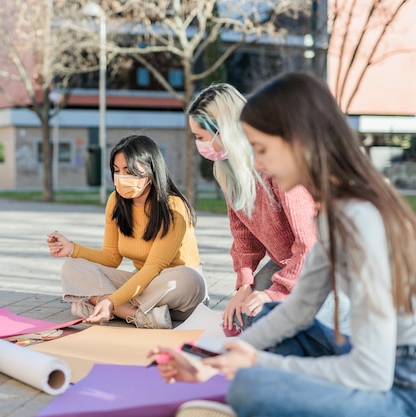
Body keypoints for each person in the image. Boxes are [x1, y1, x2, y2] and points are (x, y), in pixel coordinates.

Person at [150, 71, 416, 417]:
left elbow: (371, 373)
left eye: (261, 149)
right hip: (370, 367)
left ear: (297, 141)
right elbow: (298, 308)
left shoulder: (359, 220)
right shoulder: (333, 212)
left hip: (399, 388)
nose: (257, 163)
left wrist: (256, 362)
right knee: (272, 318)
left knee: (251, 387)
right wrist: (216, 363)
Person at [187, 83, 328, 331]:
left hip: (321, 262)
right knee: (235, 322)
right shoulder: (227, 170)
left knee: (262, 320)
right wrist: (244, 285)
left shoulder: (277, 166)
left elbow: (310, 244)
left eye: (200, 137)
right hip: (287, 262)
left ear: (224, 131)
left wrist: (274, 293)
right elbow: (243, 237)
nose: (199, 145)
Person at [47, 134, 207, 329]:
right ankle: (135, 315)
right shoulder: (115, 201)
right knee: (71, 268)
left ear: (150, 170)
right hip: (141, 284)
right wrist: (72, 249)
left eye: (129, 170)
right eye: (117, 170)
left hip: (173, 291)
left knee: (188, 279)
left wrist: (111, 300)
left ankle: (104, 306)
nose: (122, 177)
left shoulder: (173, 207)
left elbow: (154, 267)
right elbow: (111, 256)